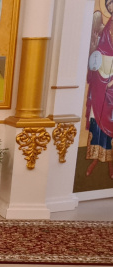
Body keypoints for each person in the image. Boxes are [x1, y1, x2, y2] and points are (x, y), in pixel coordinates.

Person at [85, 0, 113, 178]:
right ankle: (96, 157)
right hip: (99, 77)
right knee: (96, 117)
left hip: (110, 82)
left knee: (109, 119)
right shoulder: (106, 25)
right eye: (108, 4)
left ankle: (108, 160)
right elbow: (98, 49)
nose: (110, 6)